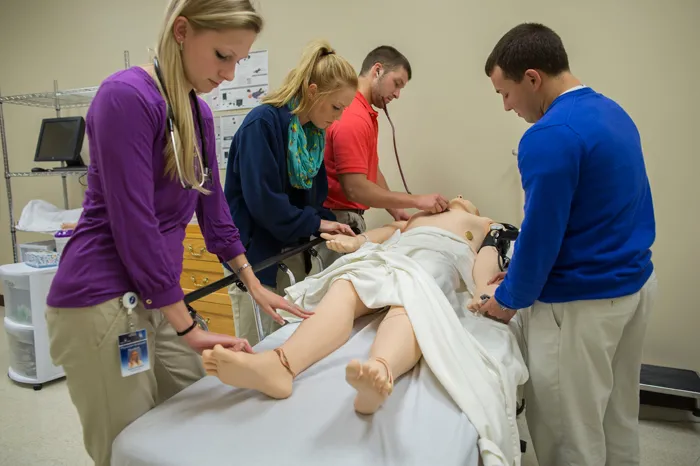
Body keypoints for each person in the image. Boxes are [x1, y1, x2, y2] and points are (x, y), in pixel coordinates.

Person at [43, 2, 309, 465]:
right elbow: (135, 223)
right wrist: (186, 325)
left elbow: (214, 211)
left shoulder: (197, 113)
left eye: (239, 61)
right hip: (102, 301)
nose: (229, 74)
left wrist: (253, 282)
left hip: (154, 296)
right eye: (222, 55)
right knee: (128, 445)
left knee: (200, 405)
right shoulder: (125, 98)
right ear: (182, 31)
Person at [203, 196, 529, 465]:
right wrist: (354, 241)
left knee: (412, 301)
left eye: (464, 197)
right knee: (346, 285)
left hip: (437, 259)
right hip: (389, 258)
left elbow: (487, 256)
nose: (457, 197)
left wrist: (480, 292)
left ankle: (380, 370)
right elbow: (383, 233)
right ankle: (281, 364)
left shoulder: (484, 224)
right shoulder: (412, 220)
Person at [476, 23, 658, 466]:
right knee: (617, 418)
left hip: (579, 306)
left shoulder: (548, 135)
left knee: (568, 433)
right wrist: (517, 271)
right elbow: (594, 214)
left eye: (506, 93)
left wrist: (508, 298)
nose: (506, 107)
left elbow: (541, 234)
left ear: (533, 78)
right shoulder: (613, 112)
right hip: (631, 287)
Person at [223, 40, 358, 345]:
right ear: (313, 91)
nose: (337, 117)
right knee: (258, 349)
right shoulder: (263, 125)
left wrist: (330, 224)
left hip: (291, 256)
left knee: (291, 345)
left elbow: (313, 199)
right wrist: (316, 223)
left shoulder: (311, 137)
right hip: (256, 262)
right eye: (336, 107)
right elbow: (265, 203)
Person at [322, 45, 449, 236]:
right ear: (377, 70)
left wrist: (395, 209)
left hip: (348, 218)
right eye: (396, 83)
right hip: (338, 221)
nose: (397, 94)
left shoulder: (364, 113)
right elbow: (355, 189)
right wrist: (417, 200)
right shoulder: (354, 116)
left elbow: (371, 170)